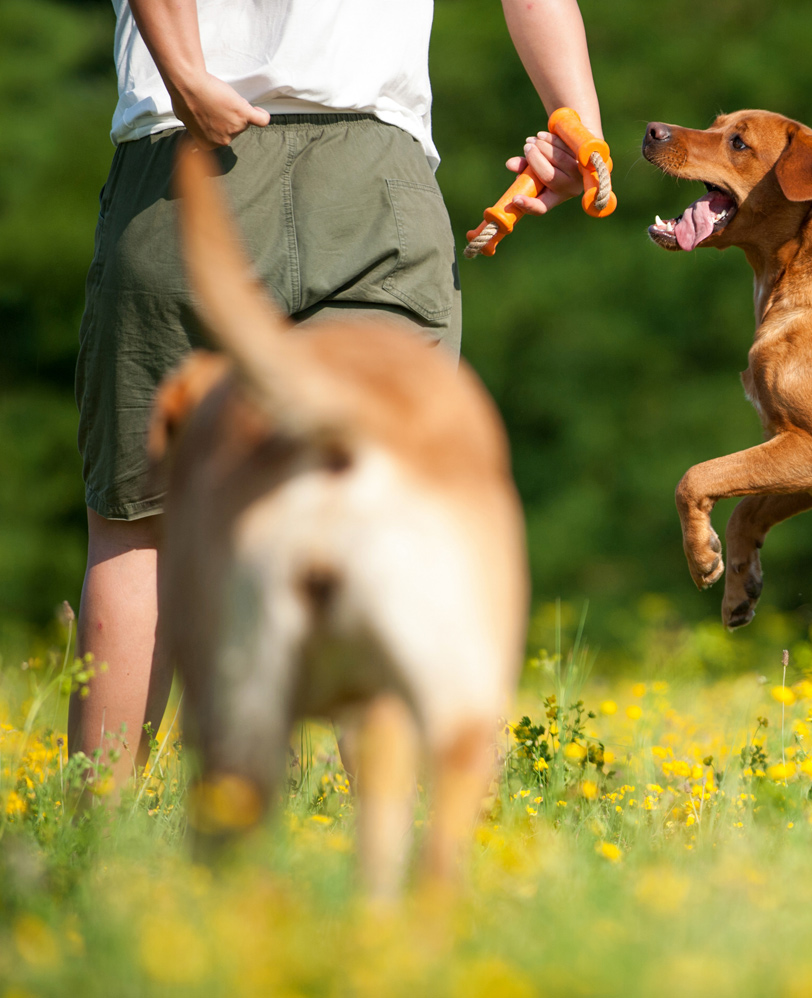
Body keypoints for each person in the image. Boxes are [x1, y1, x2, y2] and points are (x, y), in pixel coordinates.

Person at [71, 0, 605, 789]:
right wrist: (579, 126)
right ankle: (415, 875)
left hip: (183, 166)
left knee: (144, 529)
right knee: (399, 525)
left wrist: (186, 74)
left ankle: (88, 852)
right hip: (375, 180)